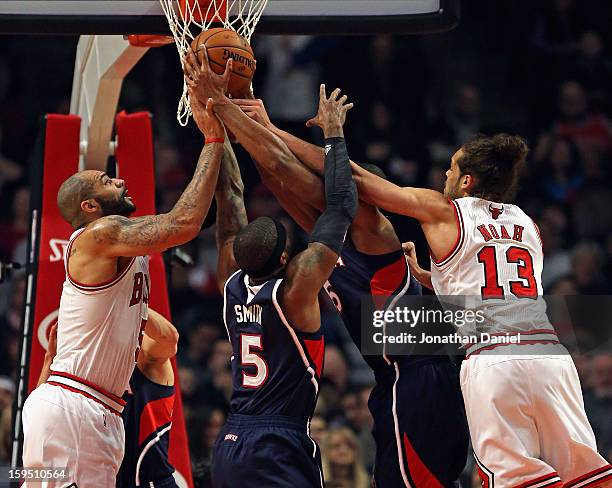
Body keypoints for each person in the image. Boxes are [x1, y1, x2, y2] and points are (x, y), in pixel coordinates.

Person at [223, 95, 469, 486]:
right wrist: (252, 125)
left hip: (422, 377)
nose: (319, 192)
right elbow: (278, 174)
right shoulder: (328, 240)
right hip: (394, 376)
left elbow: (294, 171)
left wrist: (239, 118)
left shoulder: (376, 231)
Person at [349, 132, 612, 486]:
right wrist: (429, 276)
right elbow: (493, 286)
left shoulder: (446, 210)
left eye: (451, 168)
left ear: (467, 180)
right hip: (550, 357)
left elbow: (362, 183)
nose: (445, 175)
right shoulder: (528, 224)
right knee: (587, 474)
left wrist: (332, 135)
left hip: (494, 359)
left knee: (515, 478)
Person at [21, 59, 227, 487]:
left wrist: (225, 118)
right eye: (105, 180)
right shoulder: (99, 234)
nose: (117, 180)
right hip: (71, 405)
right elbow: (182, 223)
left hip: (98, 410)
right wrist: (211, 136)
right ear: (90, 207)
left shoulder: (124, 245)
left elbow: (194, 219)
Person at [185, 51, 357, 487]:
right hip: (279, 440)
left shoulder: (231, 282)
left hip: (230, 439)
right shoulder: (296, 291)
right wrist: (334, 135)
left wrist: (214, 125)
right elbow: (340, 206)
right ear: (286, 260)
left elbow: (230, 197)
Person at [37, 311, 181, 488]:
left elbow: (170, 339)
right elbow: (38, 417)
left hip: (151, 482)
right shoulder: (81, 363)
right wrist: (50, 358)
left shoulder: (143, 356)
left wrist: (127, 297)